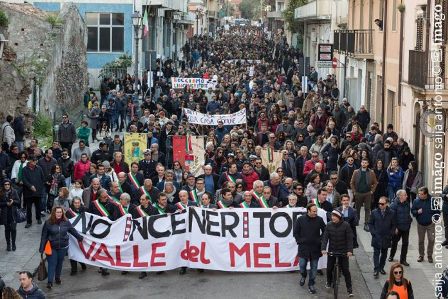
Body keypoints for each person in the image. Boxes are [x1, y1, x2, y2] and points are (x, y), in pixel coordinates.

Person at [39, 206, 84, 289]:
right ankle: (50, 282)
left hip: (63, 247)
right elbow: (44, 236)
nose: (59, 214)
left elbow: (72, 230)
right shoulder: (48, 222)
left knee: (59, 263)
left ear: (62, 213)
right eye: (57, 212)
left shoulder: (66, 222)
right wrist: (41, 248)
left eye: (60, 212)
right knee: (52, 264)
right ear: (54, 213)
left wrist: (80, 237)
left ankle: (57, 278)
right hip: (52, 247)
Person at [293, 203, 326, 294]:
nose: (315, 213)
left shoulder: (319, 220)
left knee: (314, 268)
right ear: (308, 211)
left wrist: (320, 240)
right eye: (314, 211)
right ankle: (303, 275)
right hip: (303, 247)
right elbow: (296, 233)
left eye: (316, 211)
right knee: (302, 266)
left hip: (315, 248)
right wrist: (300, 241)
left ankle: (311, 284)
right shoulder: (301, 219)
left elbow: (325, 231)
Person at [321, 210, 354, 297]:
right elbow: (325, 238)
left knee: (346, 270)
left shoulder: (346, 225)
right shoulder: (329, 225)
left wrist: (350, 250)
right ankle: (329, 281)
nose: (333, 218)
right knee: (329, 268)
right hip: (332, 250)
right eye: (332, 216)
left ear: (339, 217)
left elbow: (350, 239)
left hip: (343, 251)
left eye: (335, 216)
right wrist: (323, 248)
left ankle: (349, 289)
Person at [369, 196, 396, 278]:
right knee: (376, 253)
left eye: (382, 204)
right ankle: (376, 269)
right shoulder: (374, 212)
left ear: (387, 204)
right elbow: (370, 224)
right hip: (377, 237)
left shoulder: (392, 213)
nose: (380, 205)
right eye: (379, 203)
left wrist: (390, 234)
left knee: (384, 254)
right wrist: (373, 233)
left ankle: (381, 268)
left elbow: (394, 225)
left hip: (386, 237)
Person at [411, 187, 438, 263]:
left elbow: (437, 211)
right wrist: (417, 212)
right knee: (421, 241)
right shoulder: (416, 201)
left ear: (426, 194)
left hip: (430, 224)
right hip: (420, 224)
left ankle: (429, 256)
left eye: (421, 194)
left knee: (431, 240)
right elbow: (412, 211)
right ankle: (421, 255)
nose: (419, 195)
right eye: (419, 194)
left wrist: (434, 219)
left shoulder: (433, 200)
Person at [351, 158, 378, 232]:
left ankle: (366, 223)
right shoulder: (356, 172)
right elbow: (352, 182)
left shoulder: (371, 172)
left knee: (367, 208)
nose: (364, 164)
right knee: (357, 208)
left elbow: (375, 182)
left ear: (368, 164)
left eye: (366, 163)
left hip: (367, 193)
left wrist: (372, 191)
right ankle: (357, 220)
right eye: (363, 162)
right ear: (361, 163)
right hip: (358, 193)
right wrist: (354, 191)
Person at [389, 190, 412, 266]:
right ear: (400, 196)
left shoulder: (407, 204)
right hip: (397, 228)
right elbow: (392, 218)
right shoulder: (393, 205)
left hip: (406, 227)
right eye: (405, 195)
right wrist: (394, 227)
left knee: (405, 243)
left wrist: (409, 221)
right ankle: (391, 256)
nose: (407, 196)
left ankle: (403, 260)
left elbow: (408, 214)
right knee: (394, 242)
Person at [65, 197, 87, 276]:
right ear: (73, 203)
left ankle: (82, 263)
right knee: (72, 251)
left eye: (78, 203)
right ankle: (74, 269)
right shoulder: (68, 212)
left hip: (82, 234)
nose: (77, 204)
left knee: (81, 250)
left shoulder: (85, 210)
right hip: (72, 235)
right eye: (75, 203)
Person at [22, 156, 45, 228]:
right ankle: (29, 222)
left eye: (36, 162)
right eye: (33, 161)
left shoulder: (39, 168)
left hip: (38, 191)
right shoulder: (24, 169)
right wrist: (30, 186)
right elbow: (24, 180)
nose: (35, 163)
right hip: (28, 192)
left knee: (38, 206)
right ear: (30, 161)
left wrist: (40, 187)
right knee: (28, 208)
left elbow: (42, 178)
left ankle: (38, 218)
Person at [0, 179, 20, 251]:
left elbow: (18, 201)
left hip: (13, 214)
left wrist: (13, 201)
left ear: (10, 185)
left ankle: (13, 243)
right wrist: (6, 203)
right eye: (5, 184)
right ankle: (8, 244)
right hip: (5, 215)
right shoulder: (1, 192)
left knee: (13, 229)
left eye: (8, 184)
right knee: (7, 230)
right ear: (3, 185)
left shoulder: (14, 191)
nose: (7, 186)